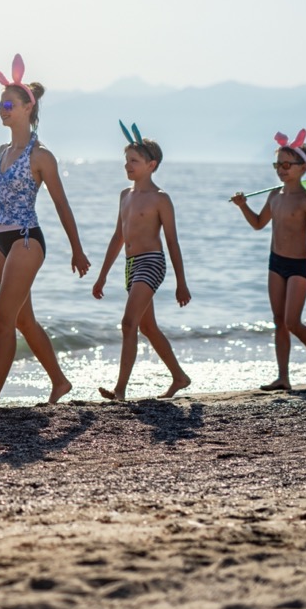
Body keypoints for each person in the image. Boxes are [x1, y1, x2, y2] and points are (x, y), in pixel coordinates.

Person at [0, 54, 90, 408]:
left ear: (28, 107)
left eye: (9, 104)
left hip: (27, 239)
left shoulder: (42, 157)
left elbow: (61, 205)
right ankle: (60, 382)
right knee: (23, 320)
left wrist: (77, 249)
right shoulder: (3, 150)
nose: (2, 110)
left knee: (3, 317)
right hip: (0, 239)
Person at [92, 122, 192, 400]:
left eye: (134, 161)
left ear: (152, 164)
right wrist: (102, 276)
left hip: (152, 262)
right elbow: (117, 238)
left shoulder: (161, 199)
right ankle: (180, 377)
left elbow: (172, 242)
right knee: (147, 326)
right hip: (131, 265)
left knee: (128, 323)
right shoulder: (125, 195)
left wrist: (181, 283)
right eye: (126, 161)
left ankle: (120, 389)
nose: (128, 166)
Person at [230, 129, 306, 391]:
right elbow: (258, 224)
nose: (281, 170)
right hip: (276, 263)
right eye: (278, 165)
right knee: (278, 321)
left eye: (287, 165)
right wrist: (242, 206)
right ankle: (283, 377)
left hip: (299, 266)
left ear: (302, 167)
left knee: (292, 322)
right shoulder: (274, 195)